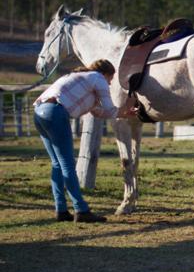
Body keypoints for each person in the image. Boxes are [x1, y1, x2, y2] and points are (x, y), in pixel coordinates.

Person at [33, 59, 137, 222]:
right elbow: (109, 108)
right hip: (56, 113)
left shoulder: (81, 80)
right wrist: (126, 107)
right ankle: (81, 210)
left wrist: (123, 114)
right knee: (67, 164)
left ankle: (61, 210)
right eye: (111, 79)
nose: (109, 84)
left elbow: (99, 112)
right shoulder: (97, 78)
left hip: (40, 112)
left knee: (57, 164)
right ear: (105, 74)